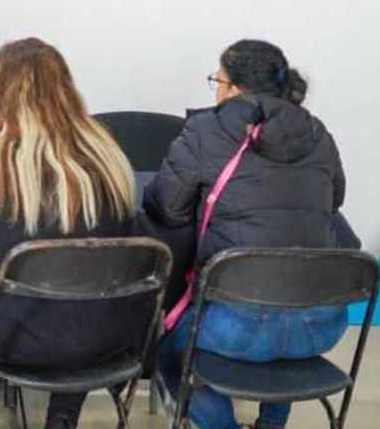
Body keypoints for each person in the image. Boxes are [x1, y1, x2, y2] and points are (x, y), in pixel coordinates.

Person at [0, 38, 147, 429]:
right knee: (80, 300)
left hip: (4, 335)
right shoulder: (105, 154)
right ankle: (63, 417)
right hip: (106, 332)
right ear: (65, 87)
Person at [145, 39, 353, 429]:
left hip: (237, 329)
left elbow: (166, 207)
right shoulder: (316, 132)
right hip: (322, 325)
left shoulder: (206, 130)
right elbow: (334, 200)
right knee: (286, 295)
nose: (216, 89)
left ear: (234, 89)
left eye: (218, 80)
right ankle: (271, 424)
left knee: (171, 356)